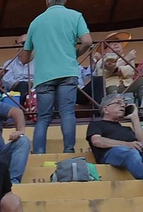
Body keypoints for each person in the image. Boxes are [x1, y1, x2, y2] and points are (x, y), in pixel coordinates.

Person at [21, 0, 92, 155]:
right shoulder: (75, 16)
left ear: (47, 2)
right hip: (67, 71)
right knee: (67, 112)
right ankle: (69, 150)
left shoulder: (36, 22)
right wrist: (75, 54)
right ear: (64, 0)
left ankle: (39, 153)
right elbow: (87, 41)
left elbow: (25, 59)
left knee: (43, 117)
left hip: (44, 76)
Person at [85, 92, 143, 194]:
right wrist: (127, 144)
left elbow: (142, 143)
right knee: (130, 151)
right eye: (118, 102)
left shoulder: (126, 128)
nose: (123, 105)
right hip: (111, 154)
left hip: (134, 153)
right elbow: (97, 141)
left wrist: (135, 118)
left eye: (124, 103)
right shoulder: (96, 124)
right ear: (106, 109)